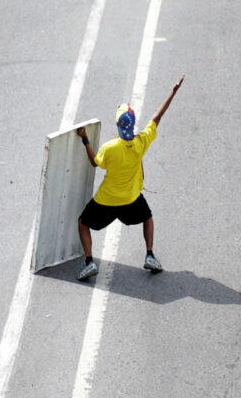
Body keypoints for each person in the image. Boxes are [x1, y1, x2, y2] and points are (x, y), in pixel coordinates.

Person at [74, 75, 184, 281]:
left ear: (117, 124)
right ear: (132, 125)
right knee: (147, 217)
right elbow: (157, 117)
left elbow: (93, 162)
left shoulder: (110, 148)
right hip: (131, 199)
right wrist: (173, 92)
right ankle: (150, 255)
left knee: (82, 222)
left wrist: (85, 139)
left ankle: (89, 262)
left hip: (106, 200)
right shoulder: (142, 141)